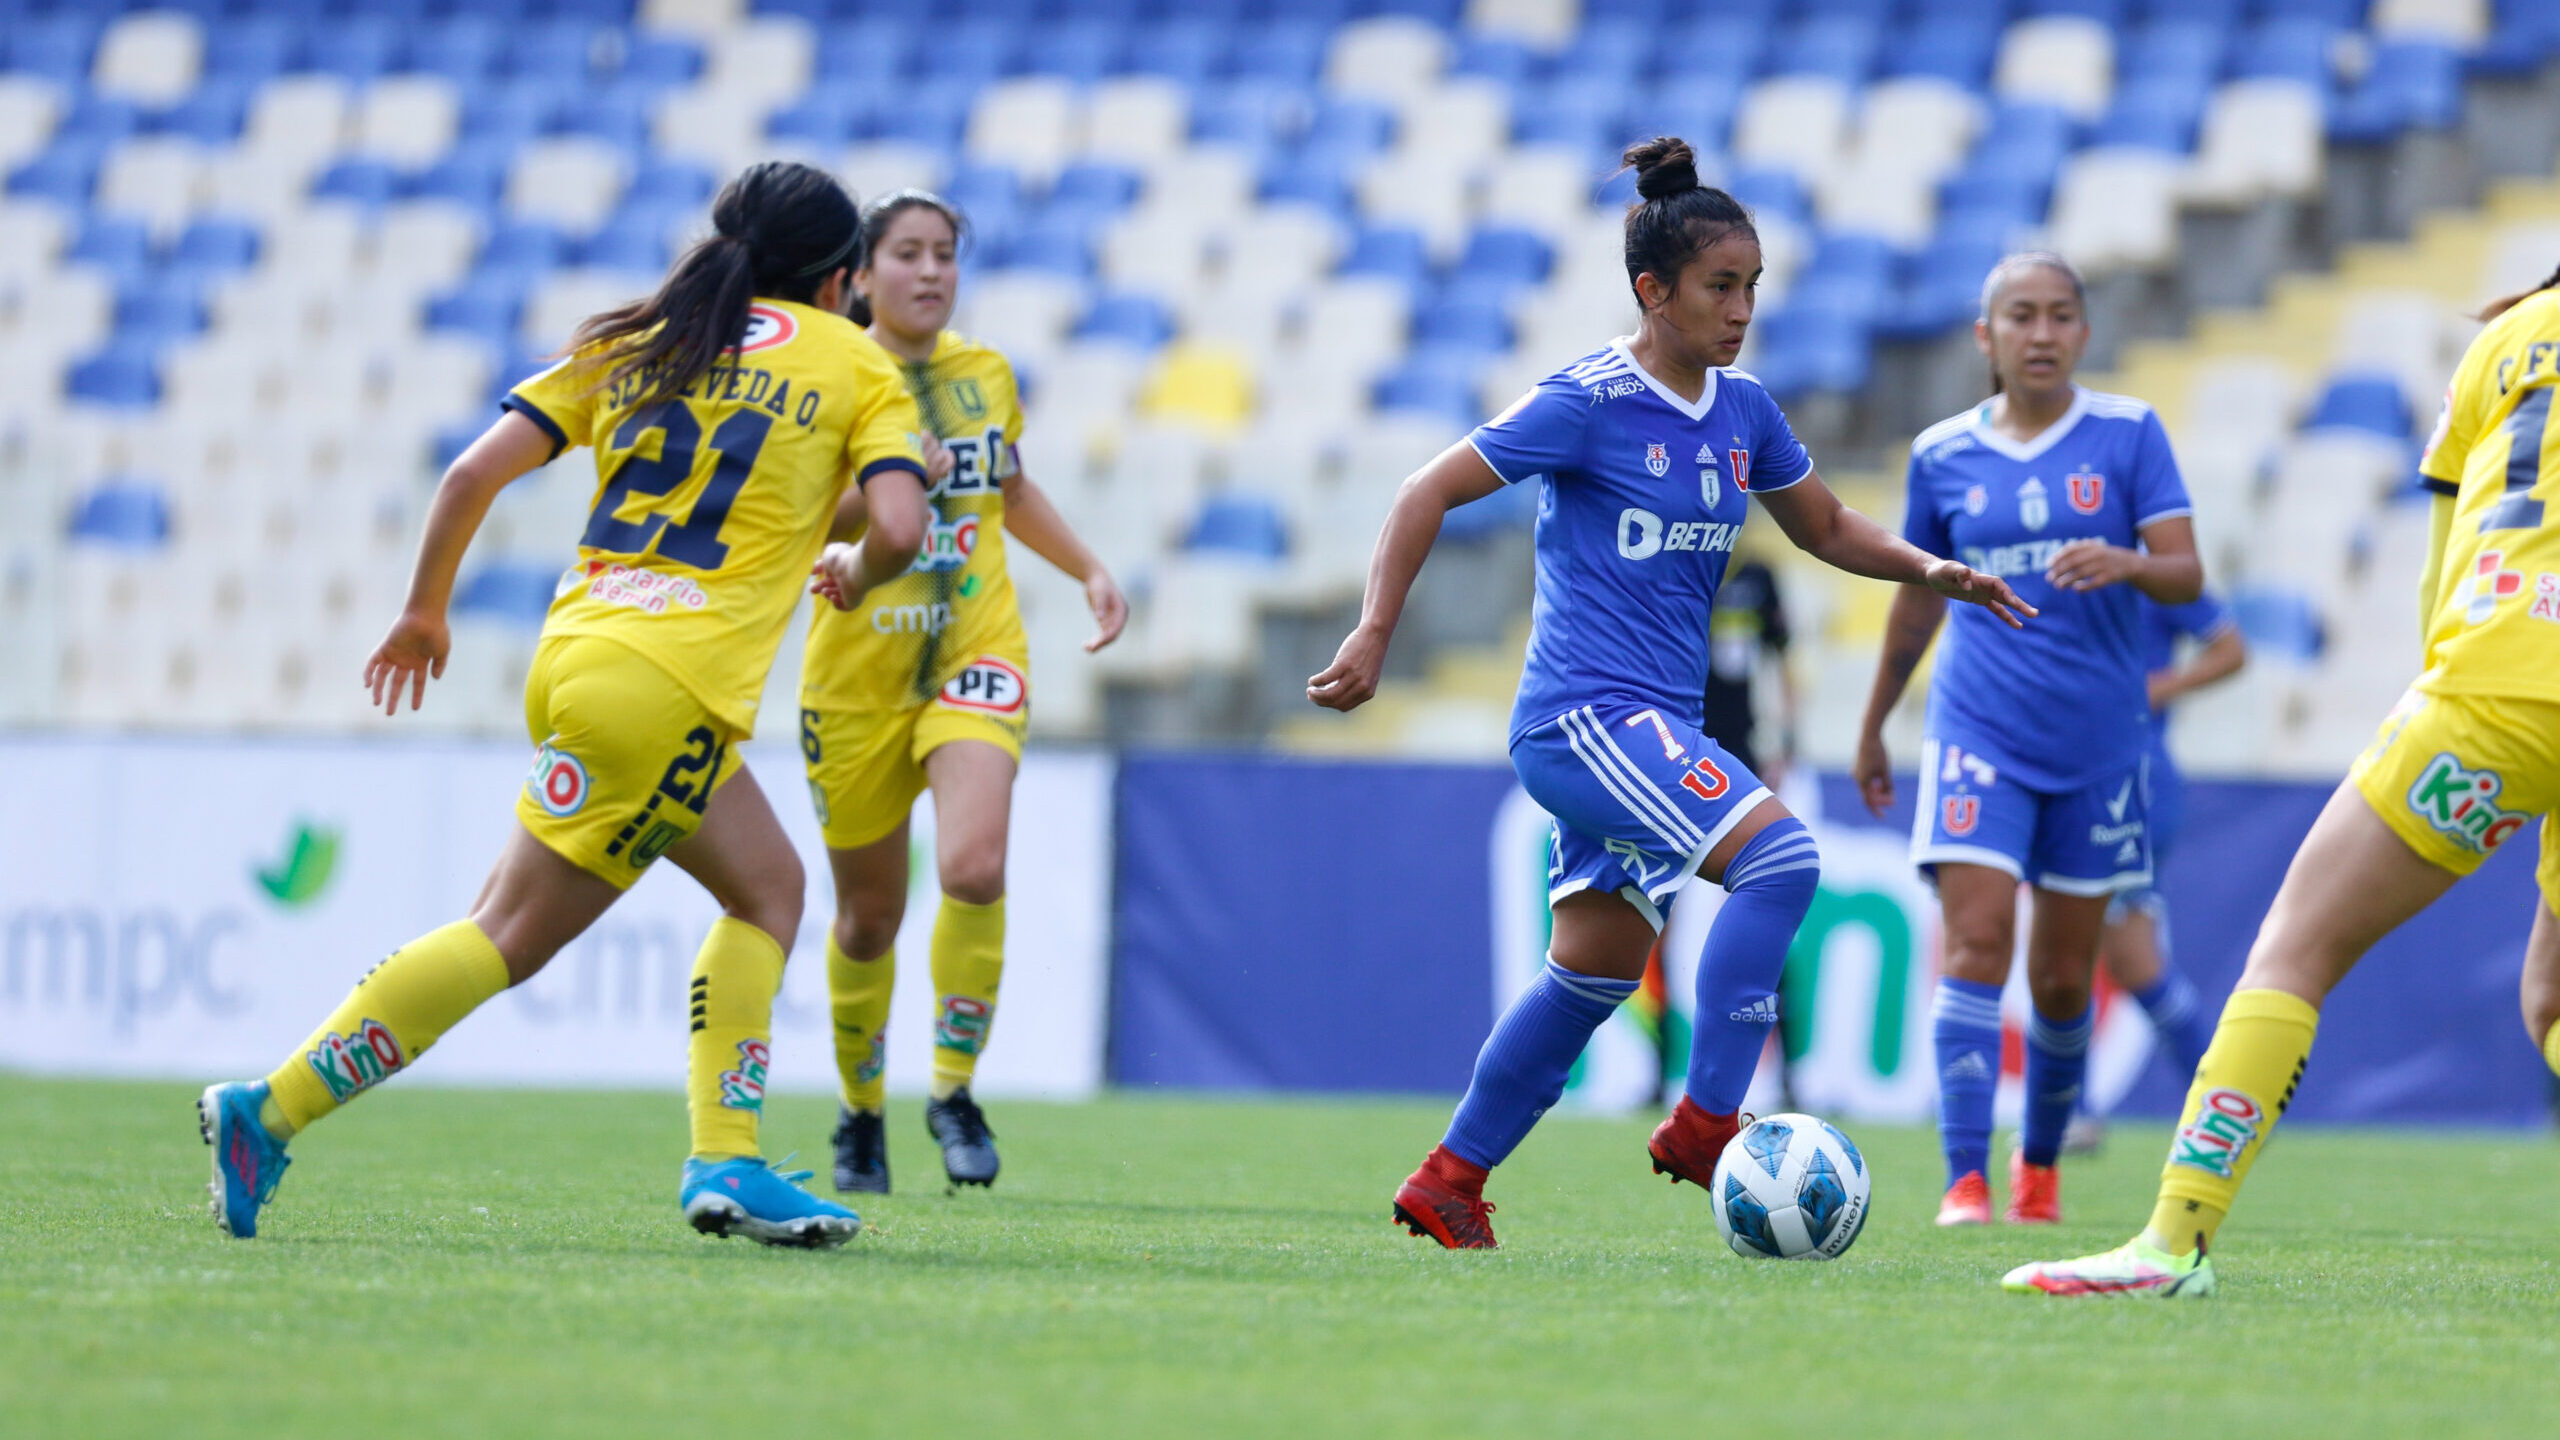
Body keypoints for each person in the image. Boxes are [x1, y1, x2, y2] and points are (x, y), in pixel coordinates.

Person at [1308, 136, 2033, 1250]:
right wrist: (1371, 635)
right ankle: (1705, 1122)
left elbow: (1829, 528)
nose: (1741, 310)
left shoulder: (1743, 414)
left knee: (1589, 975)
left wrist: (1929, 568)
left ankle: (1449, 1178)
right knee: (1784, 861)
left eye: (1751, 288)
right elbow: (1424, 491)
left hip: (1651, 728)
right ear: (1653, 292)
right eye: (1719, 288)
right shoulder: (1587, 400)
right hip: (1583, 721)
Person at [197, 161, 937, 1248]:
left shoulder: (647, 336)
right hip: (670, 685)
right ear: (839, 281)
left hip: (581, 654)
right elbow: (903, 528)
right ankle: (270, 1109)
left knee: (767, 887)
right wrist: (865, 559)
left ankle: (724, 1161)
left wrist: (424, 615)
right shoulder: (854, 363)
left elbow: (467, 475)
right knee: (507, 936)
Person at [2006, 260, 2560, 1297]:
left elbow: (2442, 572)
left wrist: (2478, 715)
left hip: (2494, 692)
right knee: (2548, 999)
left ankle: (2171, 1243)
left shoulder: (2509, 338)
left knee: (2297, 944)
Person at [1852, 252, 2203, 1229]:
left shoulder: (2129, 435)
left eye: (2058, 316)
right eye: (2020, 316)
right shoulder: (1941, 455)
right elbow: (1919, 599)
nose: (2040, 333)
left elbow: (2185, 575)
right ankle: (1963, 1178)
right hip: (1977, 731)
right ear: (1986, 336)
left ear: (2083, 333)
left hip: (2098, 745)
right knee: (1973, 940)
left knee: (2059, 979)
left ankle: (2036, 1169)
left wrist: (2129, 560)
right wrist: (1876, 719)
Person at [802, 190, 1127, 1195]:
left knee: (975, 866)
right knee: (865, 920)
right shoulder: (827, 375)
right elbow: (799, 507)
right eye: (908, 253)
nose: (931, 271)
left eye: (945, 253)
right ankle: (860, 1116)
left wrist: (1087, 568)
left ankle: (951, 1089)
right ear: (860, 274)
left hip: (972, 649)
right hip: (855, 675)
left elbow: (1011, 488)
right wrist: (888, 483)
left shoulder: (983, 374)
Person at [2066, 589, 2247, 1151]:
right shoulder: (2055, 556)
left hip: (2129, 781)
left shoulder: (2152, 569)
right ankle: (2227, 1102)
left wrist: (2154, 689)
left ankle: (2073, 1112)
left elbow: (2230, 649)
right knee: (2128, 959)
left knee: (2078, 944)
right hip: (2075, 773)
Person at [1639, 549, 1802, 1109]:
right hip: (1673, 765)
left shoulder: (1757, 578)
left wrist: (1786, 739)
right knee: (1653, 919)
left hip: (1739, 770)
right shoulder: (1669, 560)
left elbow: (1782, 663)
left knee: (1768, 922)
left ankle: (1789, 1077)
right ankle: (1657, 1075)